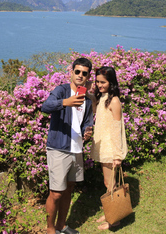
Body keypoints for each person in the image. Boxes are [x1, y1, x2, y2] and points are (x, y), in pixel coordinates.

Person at [41, 57, 94, 234]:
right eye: (77, 71)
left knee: (69, 188)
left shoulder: (86, 99)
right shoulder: (61, 91)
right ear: (71, 72)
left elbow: (87, 122)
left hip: (76, 149)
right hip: (58, 148)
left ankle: (61, 226)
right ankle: (50, 230)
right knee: (56, 192)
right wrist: (65, 103)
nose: (80, 75)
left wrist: (88, 132)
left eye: (84, 73)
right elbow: (45, 106)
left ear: (88, 76)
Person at [90, 66, 128, 231]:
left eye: (103, 82)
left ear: (111, 82)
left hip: (111, 149)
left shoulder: (114, 101)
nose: (99, 85)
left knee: (110, 183)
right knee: (108, 182)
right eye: (97, 81)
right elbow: (95, 110)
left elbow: (117, 128)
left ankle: (114, 220)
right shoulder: (103, 98)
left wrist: (117, 155)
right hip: (103, 146)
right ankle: (109, 213)